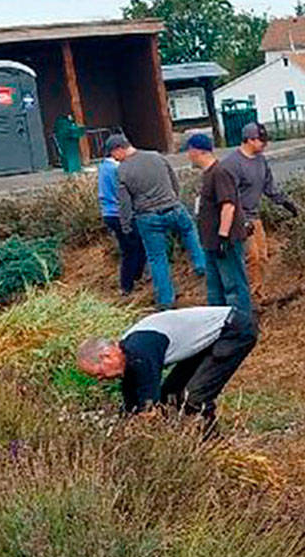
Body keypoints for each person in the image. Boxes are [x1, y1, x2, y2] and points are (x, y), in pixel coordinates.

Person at [76, 306, 257, 429]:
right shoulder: (129, 357)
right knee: (170, 395)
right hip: (208, 340)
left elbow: (149, 411)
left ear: (107, 356)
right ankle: (194, 443)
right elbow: (133, 407)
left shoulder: (141, 353)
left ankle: (215, 447)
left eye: (99, 373)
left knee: (193, 398)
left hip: (233, 330)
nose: (101, 379)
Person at [109, 134, 205, 311]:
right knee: (189, 231)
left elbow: (124, 203)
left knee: (157, 258)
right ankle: (201, 264)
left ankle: (166, 300)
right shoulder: (156, 156)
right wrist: (174, 198)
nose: (113, 159)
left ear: (119, 149)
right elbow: (174, 181)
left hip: (148, 216)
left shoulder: (122, 171)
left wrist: (126, 225)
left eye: (113, 154)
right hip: (173, 207)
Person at [219, 122, 298, 301]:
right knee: (251, 257)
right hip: (239, 218)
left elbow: (270, 187)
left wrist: (286, 203)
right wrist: (239, 221)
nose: (264, 144)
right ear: (249, 140)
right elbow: (229, 197)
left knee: (262, 256)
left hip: (254, 216)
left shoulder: (261, 160)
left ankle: (259, 292)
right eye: (260, 140)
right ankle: (248, 297)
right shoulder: (232, 164)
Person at [184, 133, 251, 318]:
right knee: (216, 287)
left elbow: (228, 206)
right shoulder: (208, 174)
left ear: (197, 151)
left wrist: (223, 236)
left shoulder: (220, 173)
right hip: (210, 242)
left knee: (234, 285)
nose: (188, 155)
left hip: (225, 241)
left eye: (189, 150)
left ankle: (241, 323)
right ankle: (219, 324)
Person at [97, 135, 145, 295]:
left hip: (108, 213)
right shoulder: (116, 170)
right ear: (115, 151)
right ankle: (128, 284)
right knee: (132, 249)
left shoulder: (103, 167)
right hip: (119, 213)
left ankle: (132, 280)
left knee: (130, 247)